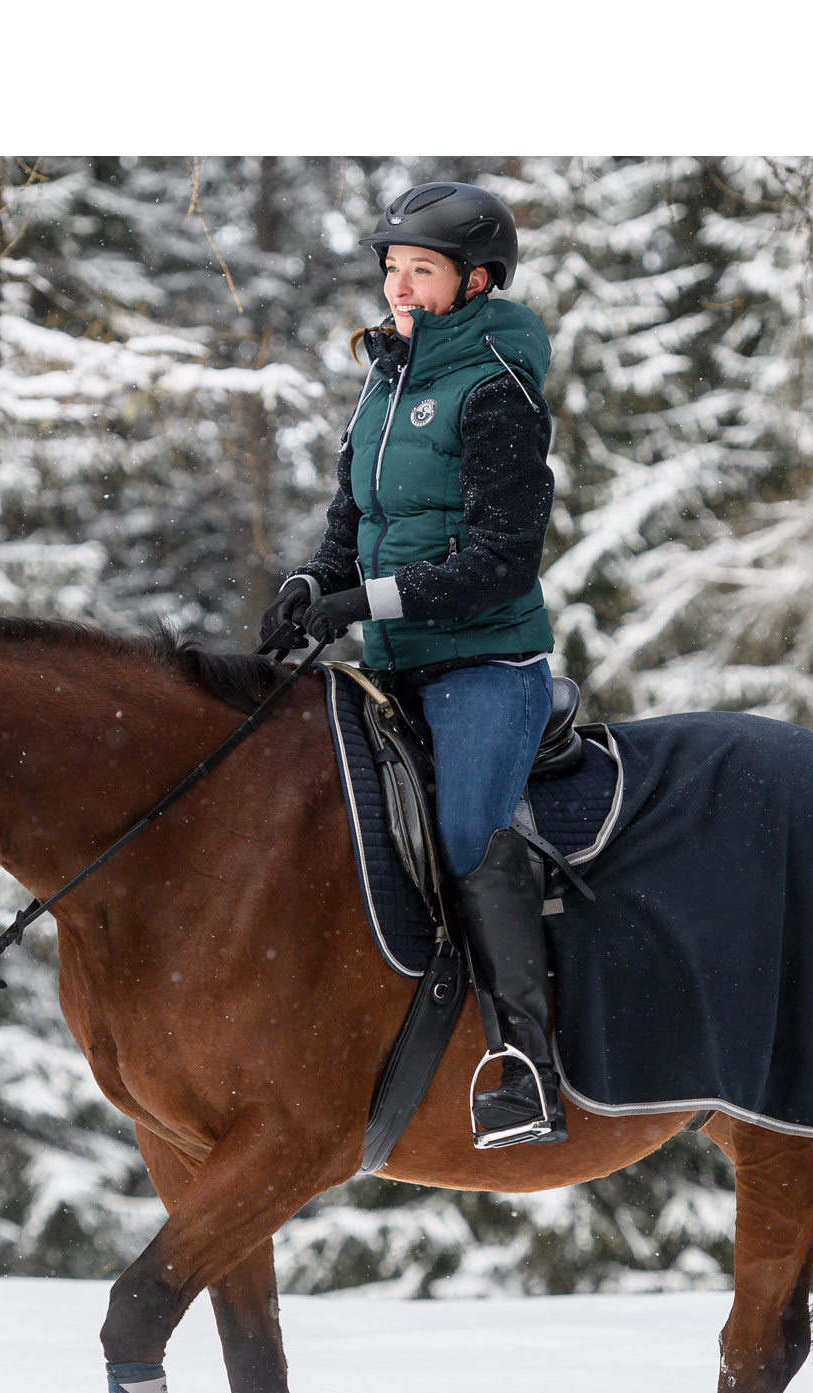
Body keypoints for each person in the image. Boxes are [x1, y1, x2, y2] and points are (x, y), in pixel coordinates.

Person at [261, 180, 567, 1148]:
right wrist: (314, 585)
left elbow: (497, 563)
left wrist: (364, 602)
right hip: (391, 662)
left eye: (420, 271)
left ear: (476, 283)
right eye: (391, 269)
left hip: (484, 662)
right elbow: (351, 527)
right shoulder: (384, 382)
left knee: (470, 828)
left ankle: (527, 1067)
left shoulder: (494, 386)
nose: (397, 287)